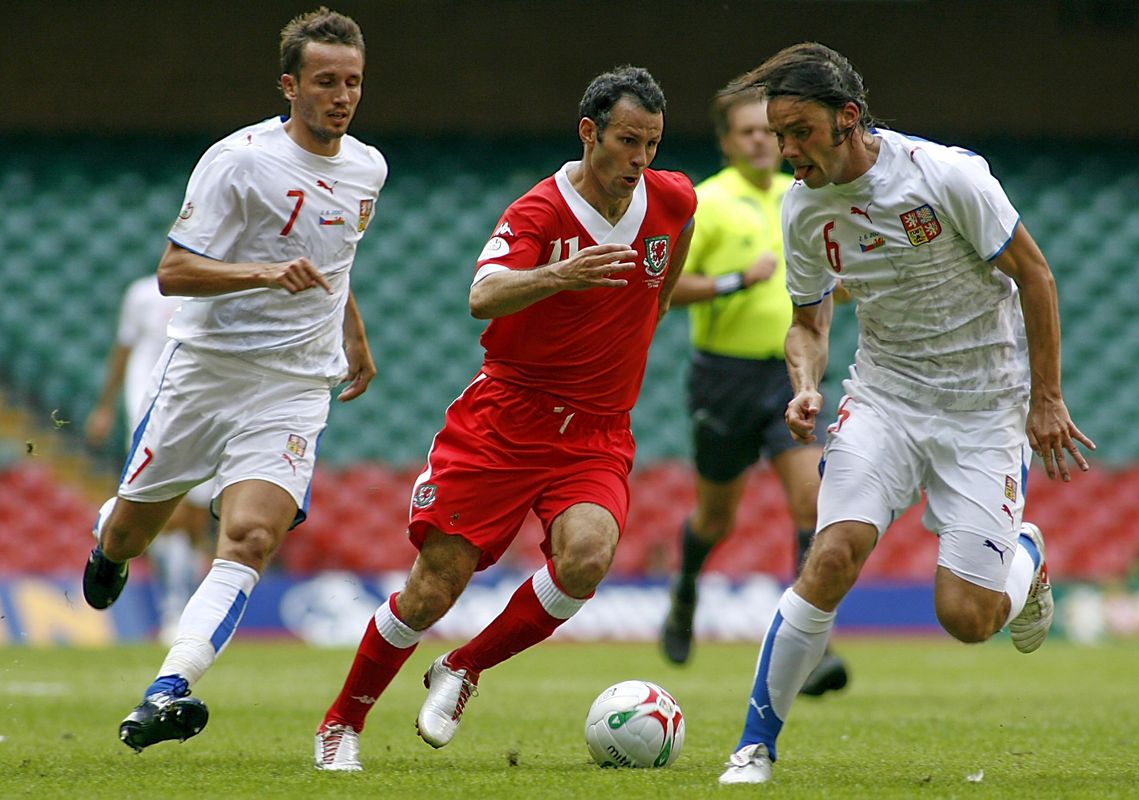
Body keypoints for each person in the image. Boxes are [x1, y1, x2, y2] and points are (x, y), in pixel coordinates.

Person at [715, 43, 1095, 785]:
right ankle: (755, 744)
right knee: (831, 556)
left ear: (848, 119)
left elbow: (1035, 274)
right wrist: (804, 380)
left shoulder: (944, 176)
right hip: (886, 396)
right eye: (777, 132)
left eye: (799, 131)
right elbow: (808, 322)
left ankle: (1027, 556)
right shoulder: (802, 208)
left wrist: (1045, 397)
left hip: (985, 406)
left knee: (967, 618)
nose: (786, 150)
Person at [313, 65, 697, 772]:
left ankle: (463, 668)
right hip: (505, 420)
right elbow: (482, 294)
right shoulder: (540, 212)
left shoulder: (672, 199)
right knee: (432, 590)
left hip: (596, 432)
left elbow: (666, 268)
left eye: (652, 143)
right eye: (626, 141)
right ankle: (341, 723)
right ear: (590, 133)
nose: (640, 160)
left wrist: (653, 305)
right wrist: (562, 275)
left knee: (587, 559)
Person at [80, 7, 386, 753]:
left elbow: (334, 258)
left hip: (293, 384)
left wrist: (355, 334)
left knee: (249, 535)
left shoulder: (368, 167)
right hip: (205, 375)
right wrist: (262, 273)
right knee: (133, 529)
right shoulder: (238, 161)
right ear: (289, 85)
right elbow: (173, 271)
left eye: (352, 82)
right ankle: (107, 548)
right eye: (324, 82)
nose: (340, 96)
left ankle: (169, 685)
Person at [659, 87, 848, 696]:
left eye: (767, 130)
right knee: (717, 517)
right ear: (726, 142)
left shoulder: (809, 196)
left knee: (811, 503)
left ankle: (809, 645)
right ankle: (685, 590)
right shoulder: (707, 204)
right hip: (724, 377)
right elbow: (665, 289)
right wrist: (737, 280)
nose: (761, 140)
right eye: (746, 132)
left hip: (790, 377)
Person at [86, 274, 216, 646]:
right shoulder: (143, 294)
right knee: (167, 515)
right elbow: (124, 350)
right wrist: (106, 406)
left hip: (203, 408)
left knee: (193, 518)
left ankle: (183, 604)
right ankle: (173, 610)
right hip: (151, 408)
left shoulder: (216, 290)